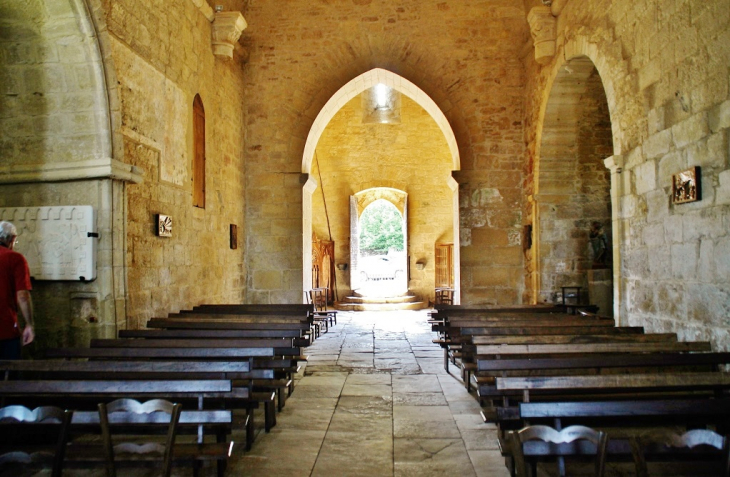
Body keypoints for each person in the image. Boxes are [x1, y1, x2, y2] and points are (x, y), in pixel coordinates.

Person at [0, 221, 34, 359]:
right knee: (8, 376)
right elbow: (22, 296)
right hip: (5, 329)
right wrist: (29, 324)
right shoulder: (14, 258)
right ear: (12, 239)